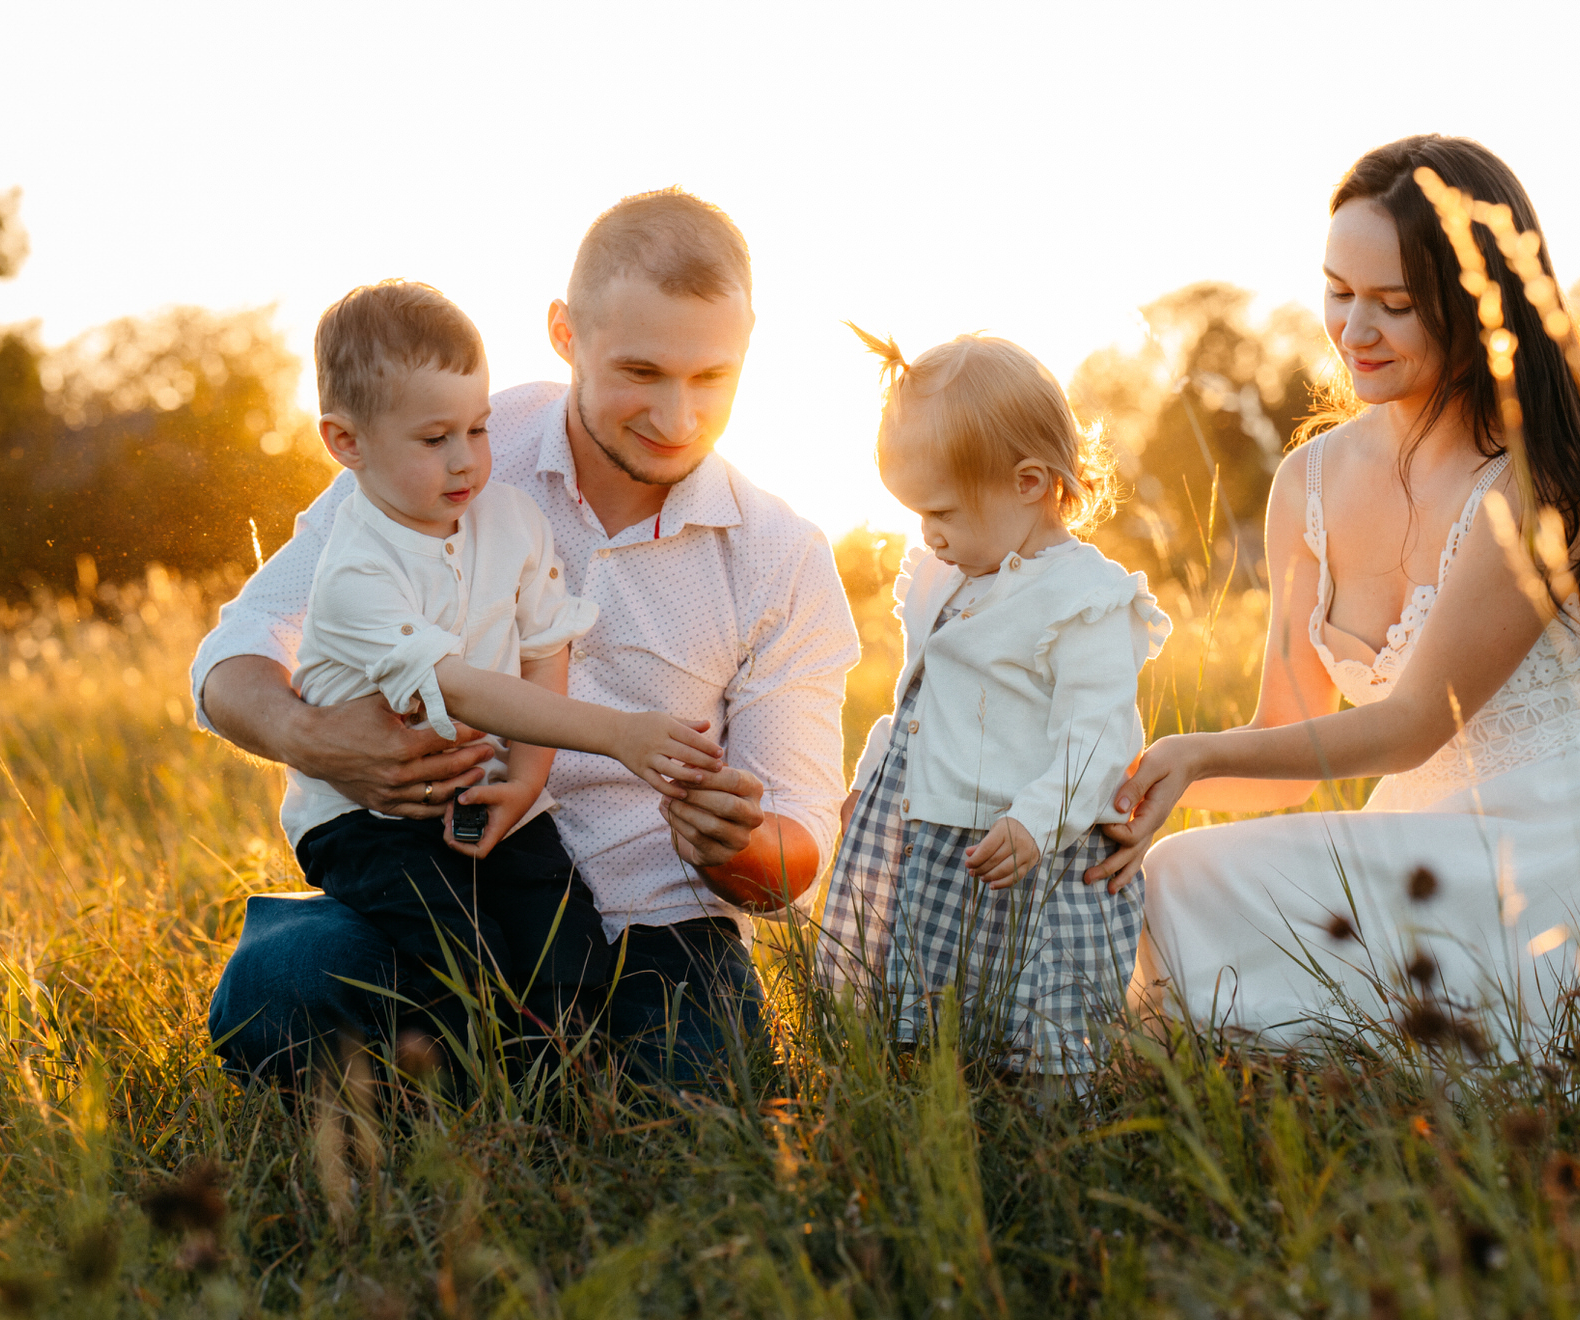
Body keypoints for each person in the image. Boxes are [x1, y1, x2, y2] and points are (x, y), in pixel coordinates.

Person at [195, 189, 861, 1088]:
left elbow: (794, 856)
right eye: (640, 373)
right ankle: (490, 1077)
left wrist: (732, 846)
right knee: (284, 988)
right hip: (437, 879)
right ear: (564, 333)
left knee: (710, 1097)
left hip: (653, 921)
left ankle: (502, 1081)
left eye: (711, 379)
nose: (676, 419)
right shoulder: (457, 442)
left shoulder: (782, 557)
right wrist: (310, 737)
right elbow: (236, 651)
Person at [1090, 135, 1580, 1055]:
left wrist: (1198, 753)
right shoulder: (1308, 483)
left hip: (1558, 852)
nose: (1353, 330)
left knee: (1202, 907)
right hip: (1417, 847)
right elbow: (1286, 729)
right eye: (1338, 291)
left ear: (1477, 307)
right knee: (1171, 880)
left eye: (1395, 305)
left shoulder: (1531, 487)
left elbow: (1414, 725)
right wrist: (1122, 791)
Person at [283, 278, 726, 1066]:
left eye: (479, 429)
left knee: (563, 932)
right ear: (345, 443)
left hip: (494, 788)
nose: (465, 461)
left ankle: (578, 1082)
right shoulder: (356, 572)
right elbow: (454, 684)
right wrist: (616, 734)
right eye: (434, 440)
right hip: (375, 818)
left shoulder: (510, 520)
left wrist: (527, 779)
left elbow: (544, 642)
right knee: (464, 957)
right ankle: (485, 1097)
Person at [818, 329, 1171, 1076]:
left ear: (1028, 483)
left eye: (941, 512)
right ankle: (931, 1098)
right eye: (918, 515)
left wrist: (1035, 821)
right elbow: (914, 699)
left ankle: (1041, 1126)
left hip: (1026, 848)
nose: (928, 534)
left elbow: (1097, 738)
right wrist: (870, 779)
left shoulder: (1082, 598)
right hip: (934, 837)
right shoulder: (945, 580)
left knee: (1030, 1016)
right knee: (927, 1015)